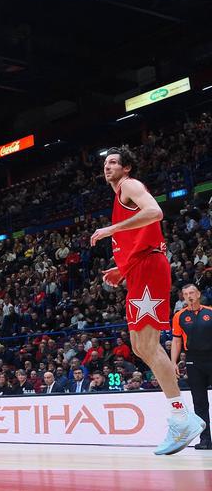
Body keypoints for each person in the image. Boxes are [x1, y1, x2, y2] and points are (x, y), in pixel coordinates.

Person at [91, 147, 206, 454]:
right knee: (141, 346)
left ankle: (181, 417)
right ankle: (181, 416)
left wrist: (111, 229)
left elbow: (155, 212)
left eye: (113, 162)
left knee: (148, 344)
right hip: (139, 268)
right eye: (105, 163)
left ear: (126, 168)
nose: (107, 167)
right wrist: (122, 269)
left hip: (149, 267)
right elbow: (141, 236)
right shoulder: (120, 196)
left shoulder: (129, 185)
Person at [171, 283, 212, 449]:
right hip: (193, 360)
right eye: (186, 294)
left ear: (198, 294)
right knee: (199, 402)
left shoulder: (210, 312)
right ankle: (205, 440)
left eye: (192, 292)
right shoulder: (179, 316)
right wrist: (173, 362)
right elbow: (176, 341)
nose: (189, 296)